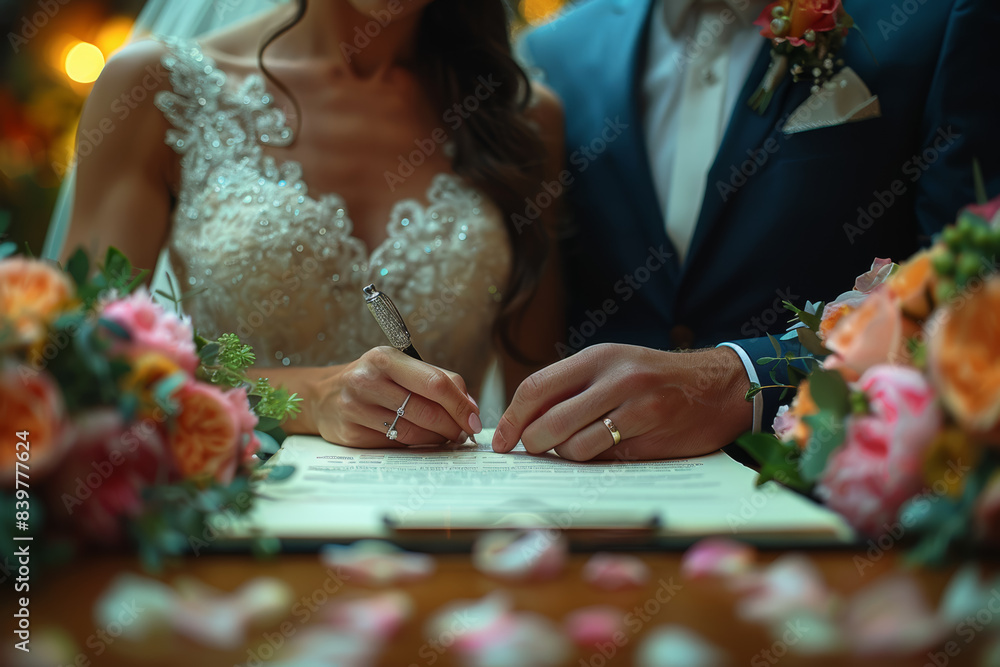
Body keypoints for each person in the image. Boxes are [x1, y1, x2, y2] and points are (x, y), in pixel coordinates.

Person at [493, 0, 1000, 461]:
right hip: (593, 498)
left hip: (824, 493)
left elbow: (973, 291)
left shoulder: (936, 18)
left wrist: (746, 377)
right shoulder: (554, 51)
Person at [55, 0, 566, 448]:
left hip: (441, 527)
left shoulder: (521, 124)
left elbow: (537, 418)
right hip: (239, 522)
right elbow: (83, 369)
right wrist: (308, 399)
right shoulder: (159, 89)